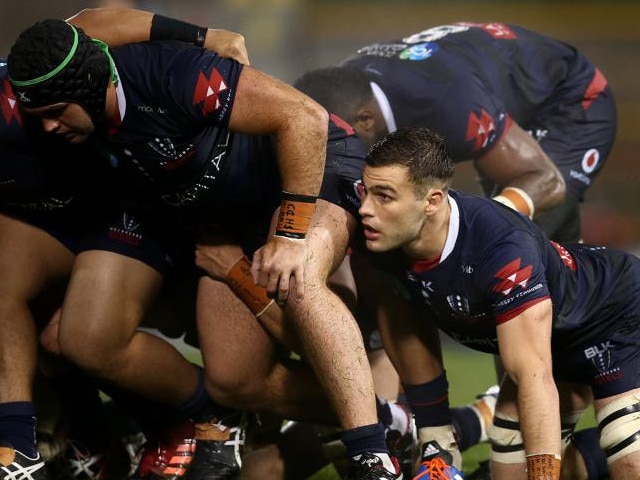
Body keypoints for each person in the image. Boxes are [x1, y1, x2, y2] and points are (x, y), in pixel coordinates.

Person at [7, 17, 400, 480]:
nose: (48, 127)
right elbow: (86, 23)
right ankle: (390, 419)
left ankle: (372, 456)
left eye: (56, 111)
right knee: (233, 379)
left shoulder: (171, 75)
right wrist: (233, 266)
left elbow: (303, 118)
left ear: (92, 87)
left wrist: (291, 235)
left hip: (310, 165)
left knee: (301, 280)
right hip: (231, 216)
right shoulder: (78, 97)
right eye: (39, 117)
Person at [0, 8, 252, 480]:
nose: (50, 123)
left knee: (79, 339)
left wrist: (206, 36)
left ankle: (206, 414)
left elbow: (89, 25)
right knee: (53, 337)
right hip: (68, 217)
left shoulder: (26, 84)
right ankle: (39, 445)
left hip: (136, 205)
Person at [356, 125, 640, 480]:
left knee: (625, 449)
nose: (365, 208)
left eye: (384, 196)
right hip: (553, 343)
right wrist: (435, 433)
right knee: (510, 469)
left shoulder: (503, 250)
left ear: (432, 201)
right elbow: (406, 329)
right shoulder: (381, 242)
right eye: (364, 191)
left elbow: (532, 375)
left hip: (618, 316)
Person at [293, 21, 616, 243]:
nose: (337, 150)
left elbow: (545, 180)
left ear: (365, 120)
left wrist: (469, 226)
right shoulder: (348, 89)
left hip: (568, 99)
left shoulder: (446, 104)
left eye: (340, 139)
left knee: (519, 234)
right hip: (490, 95)